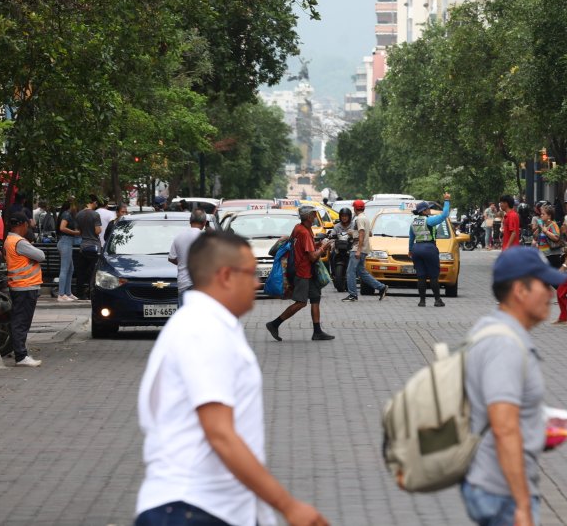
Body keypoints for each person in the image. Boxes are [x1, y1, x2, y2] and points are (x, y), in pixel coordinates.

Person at [135, 231, 328, 526]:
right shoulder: (204, 329)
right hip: (193, 508)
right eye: (250, 273)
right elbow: (220, 433)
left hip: (207, 507)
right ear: (225, 276)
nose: (257, 283)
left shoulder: (210, 323)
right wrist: (287, 505)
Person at [462, 247, 565, 526]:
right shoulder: (505, 345)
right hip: (502, 492)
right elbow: (504, 426)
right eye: (545, 285)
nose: (552, 293)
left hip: (490, 484)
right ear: (520, 290)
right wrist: (522, 505)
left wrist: (535, 428)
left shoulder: (489, 328)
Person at [265, 206, 335, 341]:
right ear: (309, 217)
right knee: (301, 302)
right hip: (302, 271)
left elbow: (303, 247)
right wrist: (323, 248)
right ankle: (274, 324)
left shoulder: (299, 227)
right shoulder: (303, 232)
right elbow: (313, 257)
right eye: (314, 214)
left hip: (306, 270)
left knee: (315, 298)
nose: (315, 216)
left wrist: (317, 244)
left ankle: (317, 331)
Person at [4, 212, 45, 367]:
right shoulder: (19, 242)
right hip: (25, 286)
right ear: (23, 225)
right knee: (21, 322)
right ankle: (21, 356)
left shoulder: (9, 240)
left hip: (20, 286)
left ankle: (21, 352)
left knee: (19, 321)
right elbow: (41, 255)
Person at [408, 194, 451, 307]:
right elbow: (444, 215)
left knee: (421, 276)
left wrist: (410, 250)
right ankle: (437, 300)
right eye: (428, 209)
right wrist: (446, 200)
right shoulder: (429, 221)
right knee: (433, 276)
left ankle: (422, 301)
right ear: (424, 211)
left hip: (416, 249)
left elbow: (411, 238)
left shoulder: (413, 222)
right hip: (429, 249)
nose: (430, 210)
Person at [343, 200, 388, 302]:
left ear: (354, 208)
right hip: (364, 248)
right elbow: (370, 233)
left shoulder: (359, 219)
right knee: (361, 272)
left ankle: (353, 294)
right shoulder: (366, 218)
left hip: (357, 248)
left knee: (350, 272)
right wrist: (354, 232)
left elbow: (362, 233)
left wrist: (358, 250)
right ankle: (381, 287)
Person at [169, 210, 207, 301]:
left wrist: (183, 261)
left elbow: (171, 258)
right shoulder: (206, 238)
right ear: (204, 222)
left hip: (184, 284)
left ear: (190, 221)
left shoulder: (179, 237)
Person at [74, 196, 103, 300]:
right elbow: (97, 231)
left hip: (83, 246)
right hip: (94, 246)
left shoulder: (79, 214)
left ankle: (80, 293)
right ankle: (92, 293)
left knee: (81, 271)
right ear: (94, 202)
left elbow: (78, 230)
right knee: (93, 271)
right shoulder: (95, 214)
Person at [55, 199, 80, 301]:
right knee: (65, 269)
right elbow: (62, 228)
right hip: (65, 242)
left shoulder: (67, 214)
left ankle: (68, 293)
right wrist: (75, 233)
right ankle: (61, 294)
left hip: (66, 242)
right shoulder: (67, 214)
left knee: (70, 269)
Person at [534, 205, 564, 270]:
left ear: (549, 216)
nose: (541, 215)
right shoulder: (543, 225)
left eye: (543, 214)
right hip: (544, 255)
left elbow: (556, 237)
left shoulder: (553, 225)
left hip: (552, 256)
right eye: (541, 214)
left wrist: (546, 232)